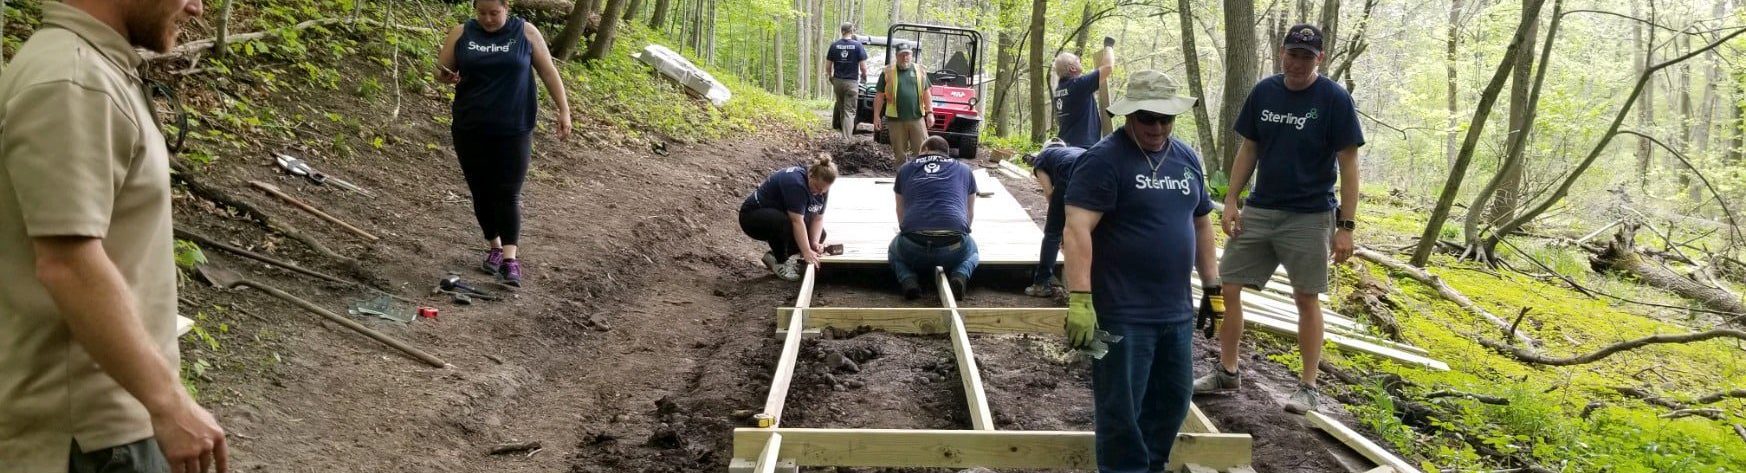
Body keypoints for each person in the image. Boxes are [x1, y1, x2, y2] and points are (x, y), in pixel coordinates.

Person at [0, 0, 230, 472]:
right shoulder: (74, 81)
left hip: (105, 425)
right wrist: (168, 403)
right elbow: (67, 263)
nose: (197, 6)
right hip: (90, 439)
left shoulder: (96, 70)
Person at [1193, 24, 1364, 415]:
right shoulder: (1265, 92)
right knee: (1228, 286)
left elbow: (1349, 164)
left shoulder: (1334, 99)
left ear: (1319, 58)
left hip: (1310, 214)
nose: (1298, 62)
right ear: (1281, 54)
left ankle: (1307, 387)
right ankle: (1227, 370)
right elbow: (1249, 147)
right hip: (1261, 209)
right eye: (1292, 54)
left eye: (1307, 56)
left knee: (1306, 298)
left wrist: (1346, 226)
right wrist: (1232, 199)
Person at [1062, 70, 1222, 473]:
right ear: (1131, 115)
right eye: (1148, 117)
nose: (1157, 127)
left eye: (1166, 118)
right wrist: (1080, 298)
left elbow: (1202, 222)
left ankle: (1153, 466)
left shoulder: (1186, 159)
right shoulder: (1104, 160)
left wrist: (1213, 286)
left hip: (1175, 312)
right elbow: (1077, 227)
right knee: (1121, 410)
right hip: (1122, 314)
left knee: (1172, 401)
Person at [437, 0, 573, 287]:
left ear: (507, 7)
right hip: (470, 125)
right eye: (482, 13)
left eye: (494, 13)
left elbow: (548, 71)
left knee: (508, 192)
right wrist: (446, 77)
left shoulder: (525, 33)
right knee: (481, 191)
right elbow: (443, 71)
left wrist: (564, 110)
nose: (487, 19)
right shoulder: (461, 33)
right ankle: (495, 248)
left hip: (514, 127)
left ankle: (511, 259)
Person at [889, 137, 978, 300]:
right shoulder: (965, 170)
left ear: (924, 150)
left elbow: (900, 210)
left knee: (893, 251)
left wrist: (907, 231)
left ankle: (908, 280)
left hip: (914, 247)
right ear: (946, 152)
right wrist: (962, 234)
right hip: (953, 248)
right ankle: (960, 275)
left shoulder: (905, 169)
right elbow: (969, 213)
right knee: (972, 251)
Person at [741, 155, 838, 281]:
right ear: (810, 175)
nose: (820, 193)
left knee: (820, 235)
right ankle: (781, 262)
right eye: (817, 188)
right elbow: (797, 221)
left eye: (824, 191)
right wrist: (806, 251)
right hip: (752, 217)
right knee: (784, 223)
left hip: (777, 215)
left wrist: (813, 243)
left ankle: (773, 257)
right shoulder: (796, 183)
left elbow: (817, 218)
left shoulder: (822, 188)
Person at [1023, 138, 1085, 297]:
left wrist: (1058, 221)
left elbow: (1050, 194)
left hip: (1069, 172)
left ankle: (1041, 284)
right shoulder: (1074, 150)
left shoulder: (1041, 159)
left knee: (1052, 233)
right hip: (1094, 171)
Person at [873, 42, 934, 165]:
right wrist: (876, 116)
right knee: (899, 154)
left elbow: (927, 93)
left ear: (911, 55)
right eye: (902, 55)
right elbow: (879, 96)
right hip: (896, 120)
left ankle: (921, 177)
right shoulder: (887, 71)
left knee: (923, 151)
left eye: (908, 54)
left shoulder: (919, 71)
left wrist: (930, 113)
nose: (905, 57)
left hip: (916, 118)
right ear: (896, 56)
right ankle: (902, 177)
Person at [1052, 45, 1113, 148]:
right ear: (1072, 68)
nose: (1079, 60)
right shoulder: (1078, 85)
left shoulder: (1059, 89)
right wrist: (1109, 45)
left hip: (1065, 145)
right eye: (1077, 60)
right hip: (1082, 148)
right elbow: (1108, 67)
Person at [825, 22, 868, 138]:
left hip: (838, 81)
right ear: (852, 31)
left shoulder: (834, 45)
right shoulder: (858, 46)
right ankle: (846, 139)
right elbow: (863, 67)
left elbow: (828, 66)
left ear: (841, 31)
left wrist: (831, 77)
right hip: (852, 82)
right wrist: (864, 76)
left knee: (842, 109)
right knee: (850, 111)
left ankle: (844, 135)